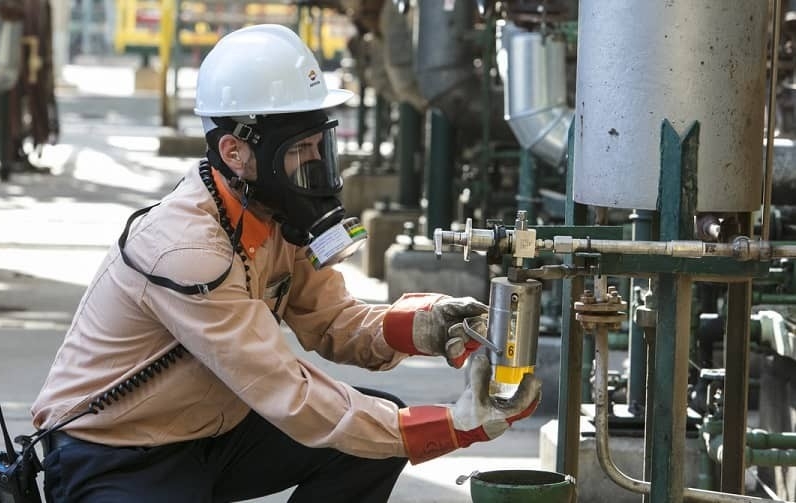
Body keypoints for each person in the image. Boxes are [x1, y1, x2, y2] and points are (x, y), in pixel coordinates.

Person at [31, 24, 541, 503]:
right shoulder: (186, 249)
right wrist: (448, 426)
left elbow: (334, 322)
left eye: (321, 146)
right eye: (300, 149)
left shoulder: (274, 215)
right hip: (115, 454)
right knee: (376, 428)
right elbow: (285, 392)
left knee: (369, 439)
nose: (315, 165)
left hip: (213, 435)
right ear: (234, 151)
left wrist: (425, 326)